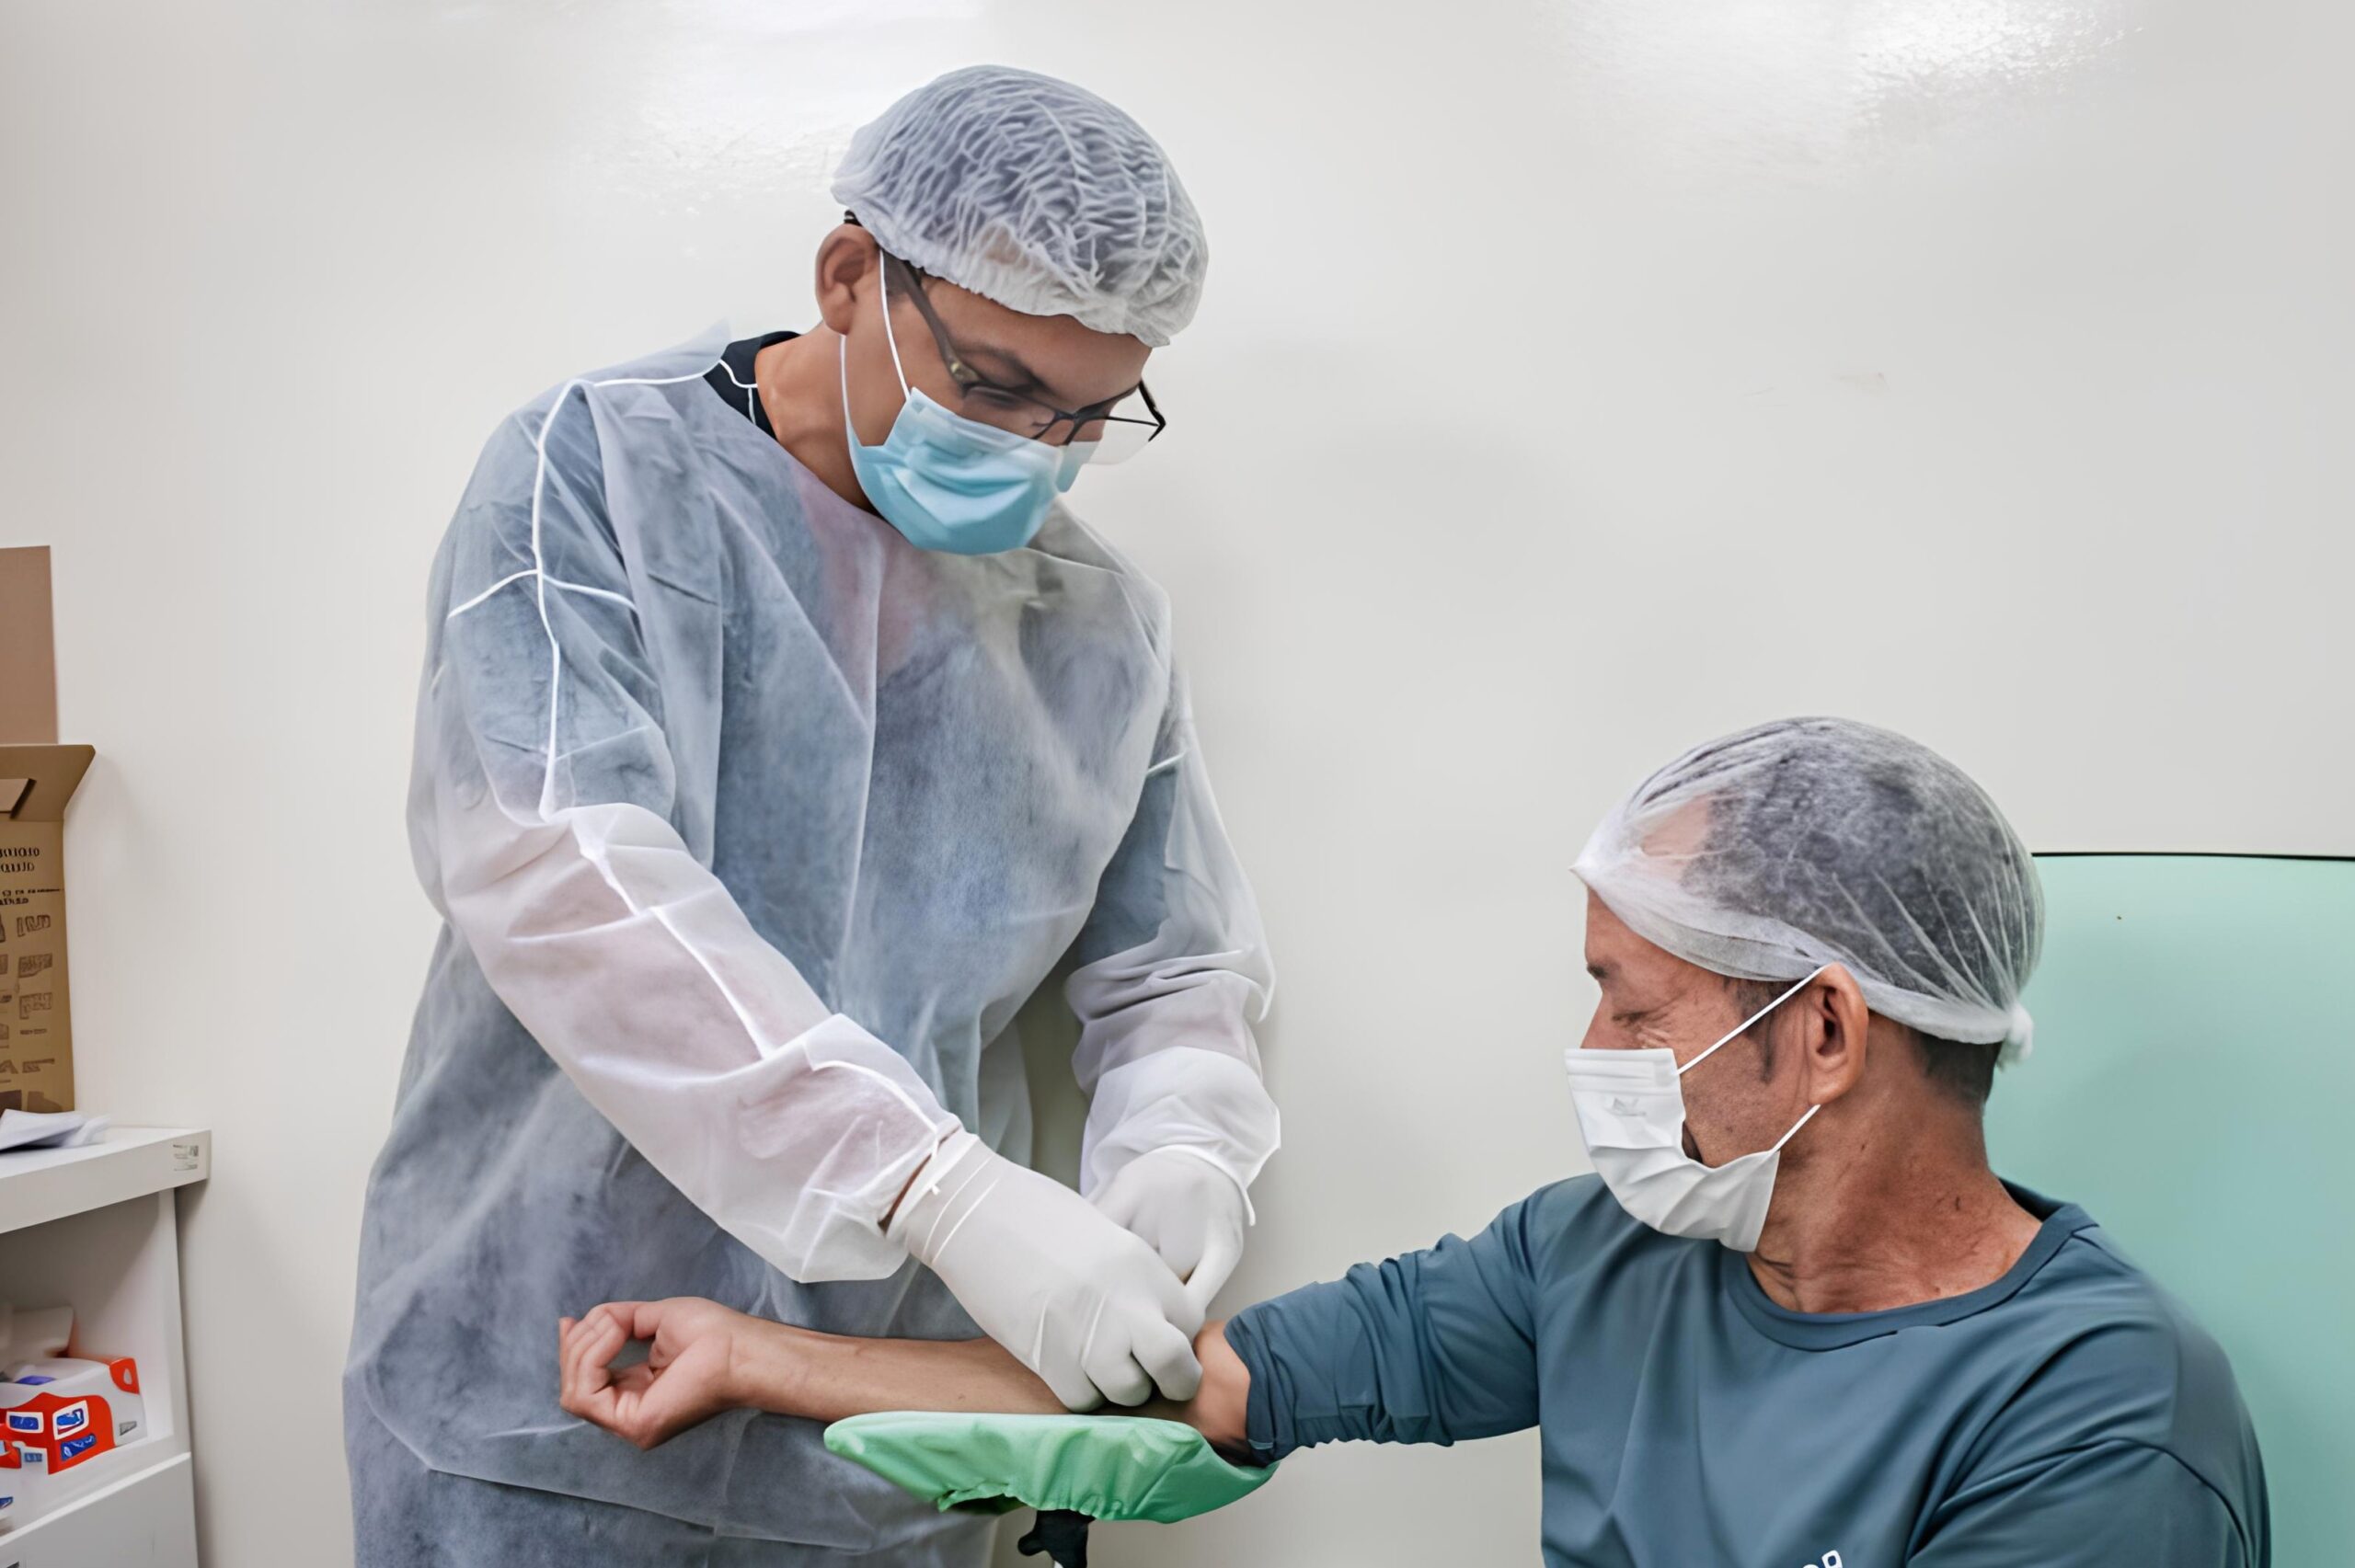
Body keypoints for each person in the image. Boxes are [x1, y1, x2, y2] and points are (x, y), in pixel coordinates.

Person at [557, 718, 2270, 1566]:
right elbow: (1190, 1389)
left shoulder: (2101, 1419)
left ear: (1823, 1029)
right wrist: (755, 1352)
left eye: (1632, 1003)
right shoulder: (1605, 1260)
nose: (1589, 1055)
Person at [344, 64, 1278, 1566]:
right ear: (849, 276)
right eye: (993, 386)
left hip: (893, 1446)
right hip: (540, 1401)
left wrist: (1180, 1149)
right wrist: (933, 1184)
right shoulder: (592, 477)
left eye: (1091, 415)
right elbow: (555, 860)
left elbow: (1174, 967)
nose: (1036, 452)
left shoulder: (1098, 624)